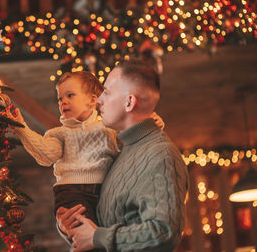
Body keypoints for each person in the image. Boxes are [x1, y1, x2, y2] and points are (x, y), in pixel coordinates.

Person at [56, 59, 189, 252]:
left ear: (129, 102)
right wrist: (70, 227)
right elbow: (100, 229)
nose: (99, 99)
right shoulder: (119, 153)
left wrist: (97, 237)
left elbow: (164, 232)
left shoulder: (161, 156)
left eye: (107, 92)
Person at [6, 71, 164, 229]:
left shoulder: (109, 129)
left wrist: (149, 124)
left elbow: (132, 140)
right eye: (60, 98)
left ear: (92, 100)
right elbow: (45, 155)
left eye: (70, 95)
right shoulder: (60, 133)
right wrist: (21, 128)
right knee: (86, 235)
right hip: (72, 194)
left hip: (105, 191)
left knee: (111, 232)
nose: (63, 102)